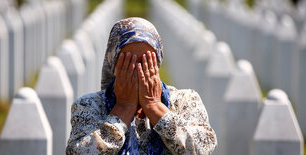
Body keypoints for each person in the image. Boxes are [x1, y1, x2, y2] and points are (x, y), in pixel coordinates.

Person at [66, 17, 217, 155]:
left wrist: (155, 107)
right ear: (113, 63)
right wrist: (123, 109)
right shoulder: (89, 105)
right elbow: (78, 152)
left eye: (145, 62)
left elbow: (203, 148)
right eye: (129, 62)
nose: (138, 70)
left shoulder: (186, 100)